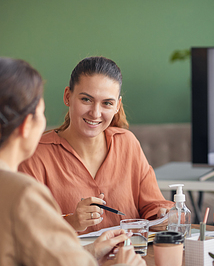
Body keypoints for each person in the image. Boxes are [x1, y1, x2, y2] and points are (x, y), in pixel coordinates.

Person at [0, 57, 146, 266]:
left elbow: (26, 264)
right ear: (25, 126)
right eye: (41, 113)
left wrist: (90, 251)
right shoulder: (22, 195)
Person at [19, 56, 173, 234]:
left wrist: (162, 216)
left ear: (117, 106)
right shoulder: (35, 154)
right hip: (72, 260)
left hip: (132, 258)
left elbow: (154, 206)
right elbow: (26, 230)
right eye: (86, 100)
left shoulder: (127, 143)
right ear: (68, 96)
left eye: (107, 103)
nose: (95, 113)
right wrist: (72, 221)